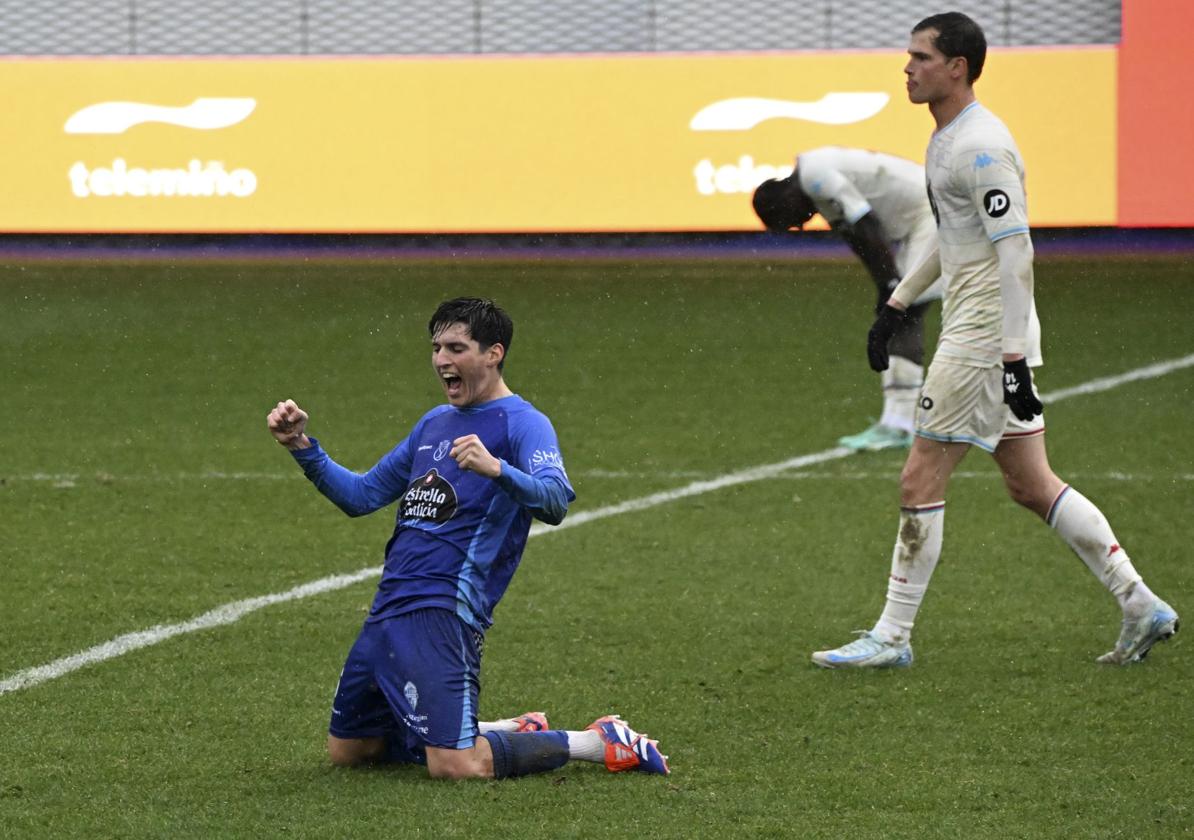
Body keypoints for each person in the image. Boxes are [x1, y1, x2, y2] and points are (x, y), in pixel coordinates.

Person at [811, 12, 1178, 668]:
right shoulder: (945, 139)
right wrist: (895, 305)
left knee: (919, 474)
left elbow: (1017, 255)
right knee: (1031, 483)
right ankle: (1141, 604)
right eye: (909, 56)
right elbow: (956, 241)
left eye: (921, 57)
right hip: (984, 330)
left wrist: (1011, 358)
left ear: (957, 67)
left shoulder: (982, 147)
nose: (908, 67)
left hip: (982, 337)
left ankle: (891, 637)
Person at [267, 297, 669, 777]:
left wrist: (497, 469)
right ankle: (498, 729)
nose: (442, 360)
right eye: (437, 347)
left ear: (493, 353)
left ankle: (596, 741)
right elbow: (362, 495)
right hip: (388, 608)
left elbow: (556, 500)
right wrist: (302, 448)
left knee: (457, 766)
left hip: (446, 610)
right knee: (352, 751)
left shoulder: (523, 423)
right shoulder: (433, 424)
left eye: (456, 347)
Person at [753, 147, 944, 451]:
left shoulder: (815, 177)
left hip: (931, 214)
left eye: (791, 221)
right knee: (900, 311)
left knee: (904, 312)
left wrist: (891, 285)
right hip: (923, 216)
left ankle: (899, 423)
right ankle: (898, 421)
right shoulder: (814, 183)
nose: (801, 225)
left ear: (786, 199)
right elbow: (857, 238)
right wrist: (885, 285)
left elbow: (866, 225)